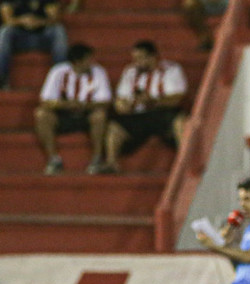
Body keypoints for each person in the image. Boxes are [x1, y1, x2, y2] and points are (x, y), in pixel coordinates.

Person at [102, 40, 188, 174]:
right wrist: (124, 106)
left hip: (162, 112)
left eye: (140, 58)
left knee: (179, 121)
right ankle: (112, 163)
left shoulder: (171, 70)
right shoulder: (130, 72)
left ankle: (185, 161)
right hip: (138, 115)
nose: (137, 62)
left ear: (153, 56)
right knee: (114, 126)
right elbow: (120, 100)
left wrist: (152, 101)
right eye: (135, 58)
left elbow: (176, 98)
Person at [34, 42, 111, 175]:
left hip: (87, 114)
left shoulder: (98, 71)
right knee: (41, 114)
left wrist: (83, 106)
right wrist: (67, 105)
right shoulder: (58, 71)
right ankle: (54, 159)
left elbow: (105, 101)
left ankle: (97, 158)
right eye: (88, 59)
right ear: (77, 61)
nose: (91, 62)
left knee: (100, 115)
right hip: (63, 114)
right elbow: (45, 101)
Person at [0, 0, 68, 89]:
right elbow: (7, 19)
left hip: (43, 38)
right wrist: (23, 21)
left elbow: (54, 18)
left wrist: (38, 22)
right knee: (5, 31)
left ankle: (61, 77)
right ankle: (1, 77)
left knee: (59, 29)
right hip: (19, 39)